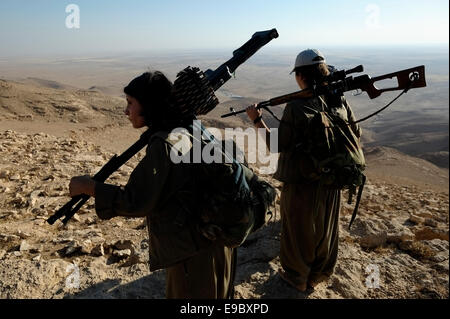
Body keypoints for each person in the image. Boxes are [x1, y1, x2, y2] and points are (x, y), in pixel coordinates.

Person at [69, 71, 236, 299]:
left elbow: (137, 201)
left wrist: (89, 187)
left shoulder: (165, 142)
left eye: (130, 103)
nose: (126, 111)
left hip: (193, 255)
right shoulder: (190, 127)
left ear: (148, 105)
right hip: (216, 244)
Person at [246, 49, 362, 292]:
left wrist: (257, 120)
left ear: (300, 76)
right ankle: (317, 275)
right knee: (326, 230)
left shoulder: (297, 106)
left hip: (302, 181)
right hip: (333, 178)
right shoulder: (338, 99)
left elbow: (277, 144)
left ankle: (296, 277)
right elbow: (356, 133)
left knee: (298, 231)